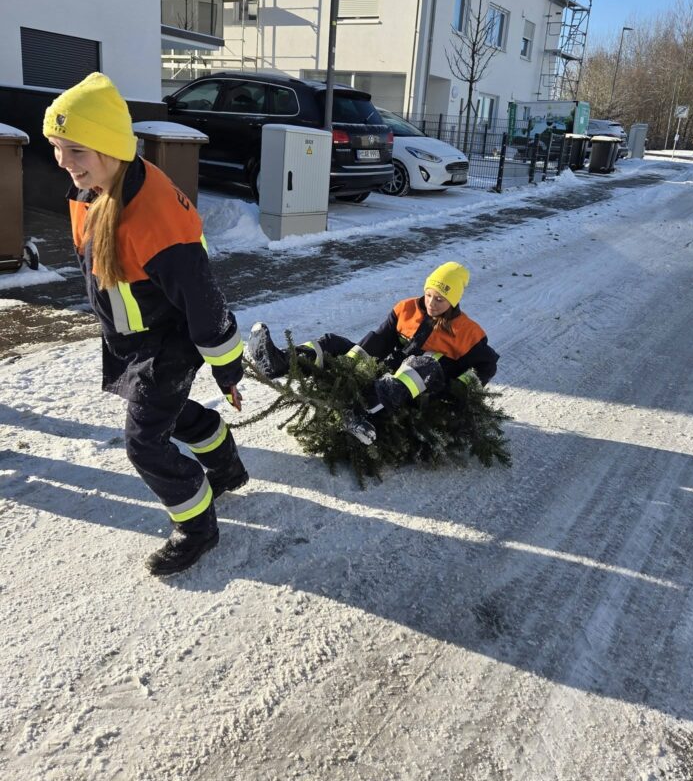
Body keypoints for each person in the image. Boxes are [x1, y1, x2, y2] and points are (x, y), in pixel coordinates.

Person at [44, 73, 247, 577]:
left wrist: (227, 367)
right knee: (166, 412)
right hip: (133, 335)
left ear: (109, 147)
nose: (64, 163)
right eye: (56, 148)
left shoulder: (151, 214)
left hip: (168, 342)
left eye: (75, 150)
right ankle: (226, 465)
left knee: (144, 441)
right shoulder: (96, 188)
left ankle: (199, 528)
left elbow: (204, 301)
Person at [246, 261, 498, 444]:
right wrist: (349, 365)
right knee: (333, 342)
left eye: (440, 299)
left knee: (423, 364)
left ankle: (361, 411)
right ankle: (280, 363)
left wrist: (458, 390)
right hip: (387, 371)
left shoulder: (468, 332)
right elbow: (380, 339)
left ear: (453, 301)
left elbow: (487, 366)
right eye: (429, 294)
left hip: (421, 389)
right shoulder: (407, 309)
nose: (431, 303)